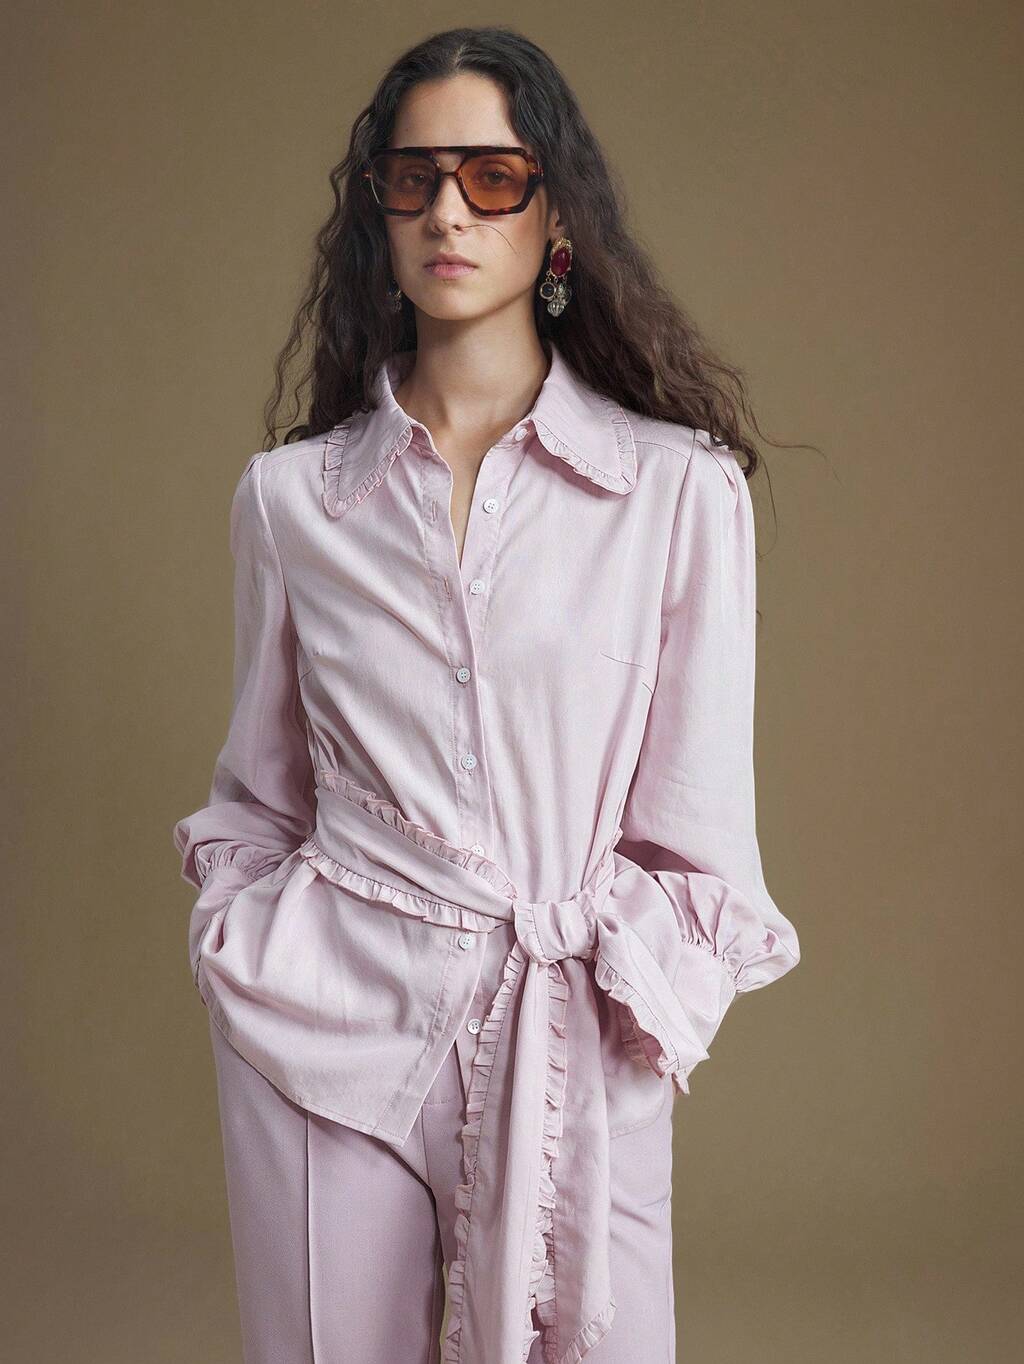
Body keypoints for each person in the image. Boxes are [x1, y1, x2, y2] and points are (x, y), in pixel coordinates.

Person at [172, 24, 801, 1364]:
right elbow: (257, 795)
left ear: (556, 214)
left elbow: (699, 836)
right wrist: (239, 934)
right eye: (414, 180)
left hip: (573, 1029)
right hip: (327, 1025)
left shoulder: (677, 493)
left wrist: (628, 1007)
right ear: (380, 213)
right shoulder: (292, 502)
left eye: (492, 177)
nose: (448, 212)